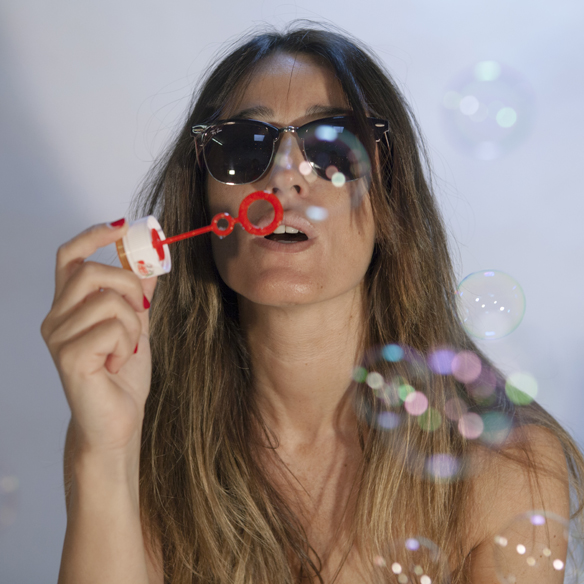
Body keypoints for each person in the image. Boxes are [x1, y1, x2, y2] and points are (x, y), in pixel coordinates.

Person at [41, 23, 584, 584]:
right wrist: (106, 451)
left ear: (391, 201)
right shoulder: (138, 440)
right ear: (201, 198)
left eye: (331, 147)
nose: (283, 180)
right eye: (242, 146)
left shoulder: (506, 463)